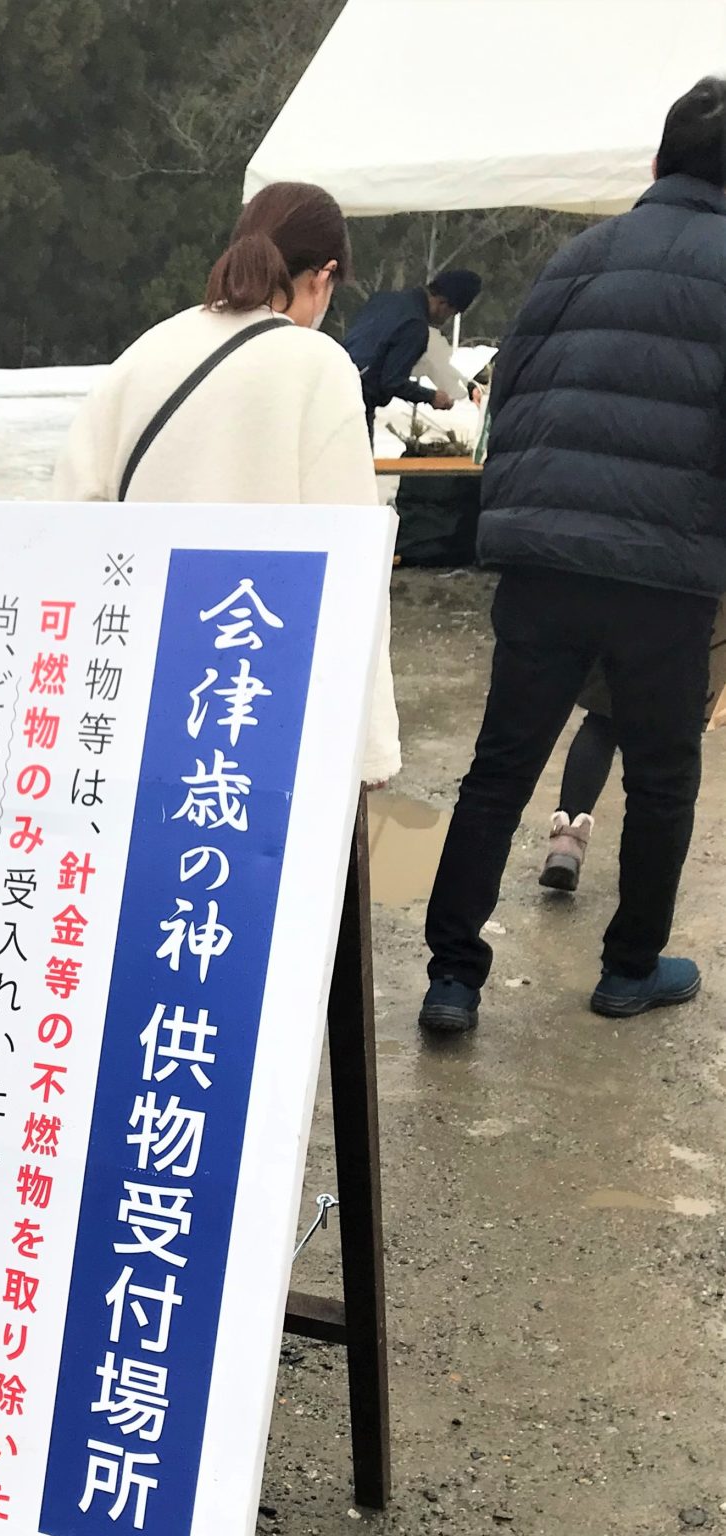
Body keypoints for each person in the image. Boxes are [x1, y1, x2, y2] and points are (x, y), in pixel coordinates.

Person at [420, 76, 726, 1032]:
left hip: (544, 558)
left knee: (500, 768)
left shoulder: (578, 257)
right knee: (663, 777)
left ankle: (452, 978)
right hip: (667, 570)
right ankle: (628, 969)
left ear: (657, 162)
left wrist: (516, 520)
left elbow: (507, 394)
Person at [52, 181, 401, 788]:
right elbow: (351, 562)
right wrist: (368, 748)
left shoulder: (145, 352)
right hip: (258, 688)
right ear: (323, 277)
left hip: (138, 678)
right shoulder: (317, 365)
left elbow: (70, 520)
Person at [540, 608, 726, 890]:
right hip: (701, 601)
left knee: (603, 718)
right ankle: (654, 860)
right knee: (676, 731)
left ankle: (567, 839)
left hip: (632, 593)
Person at [343, 269, 483, 443]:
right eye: (451, 314)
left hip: (333, 384)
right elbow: (392, 381)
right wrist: (431, 397)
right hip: (356, 405)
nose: (446, 320)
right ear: (443, 304)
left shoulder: (383, 299)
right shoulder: (415, 325)